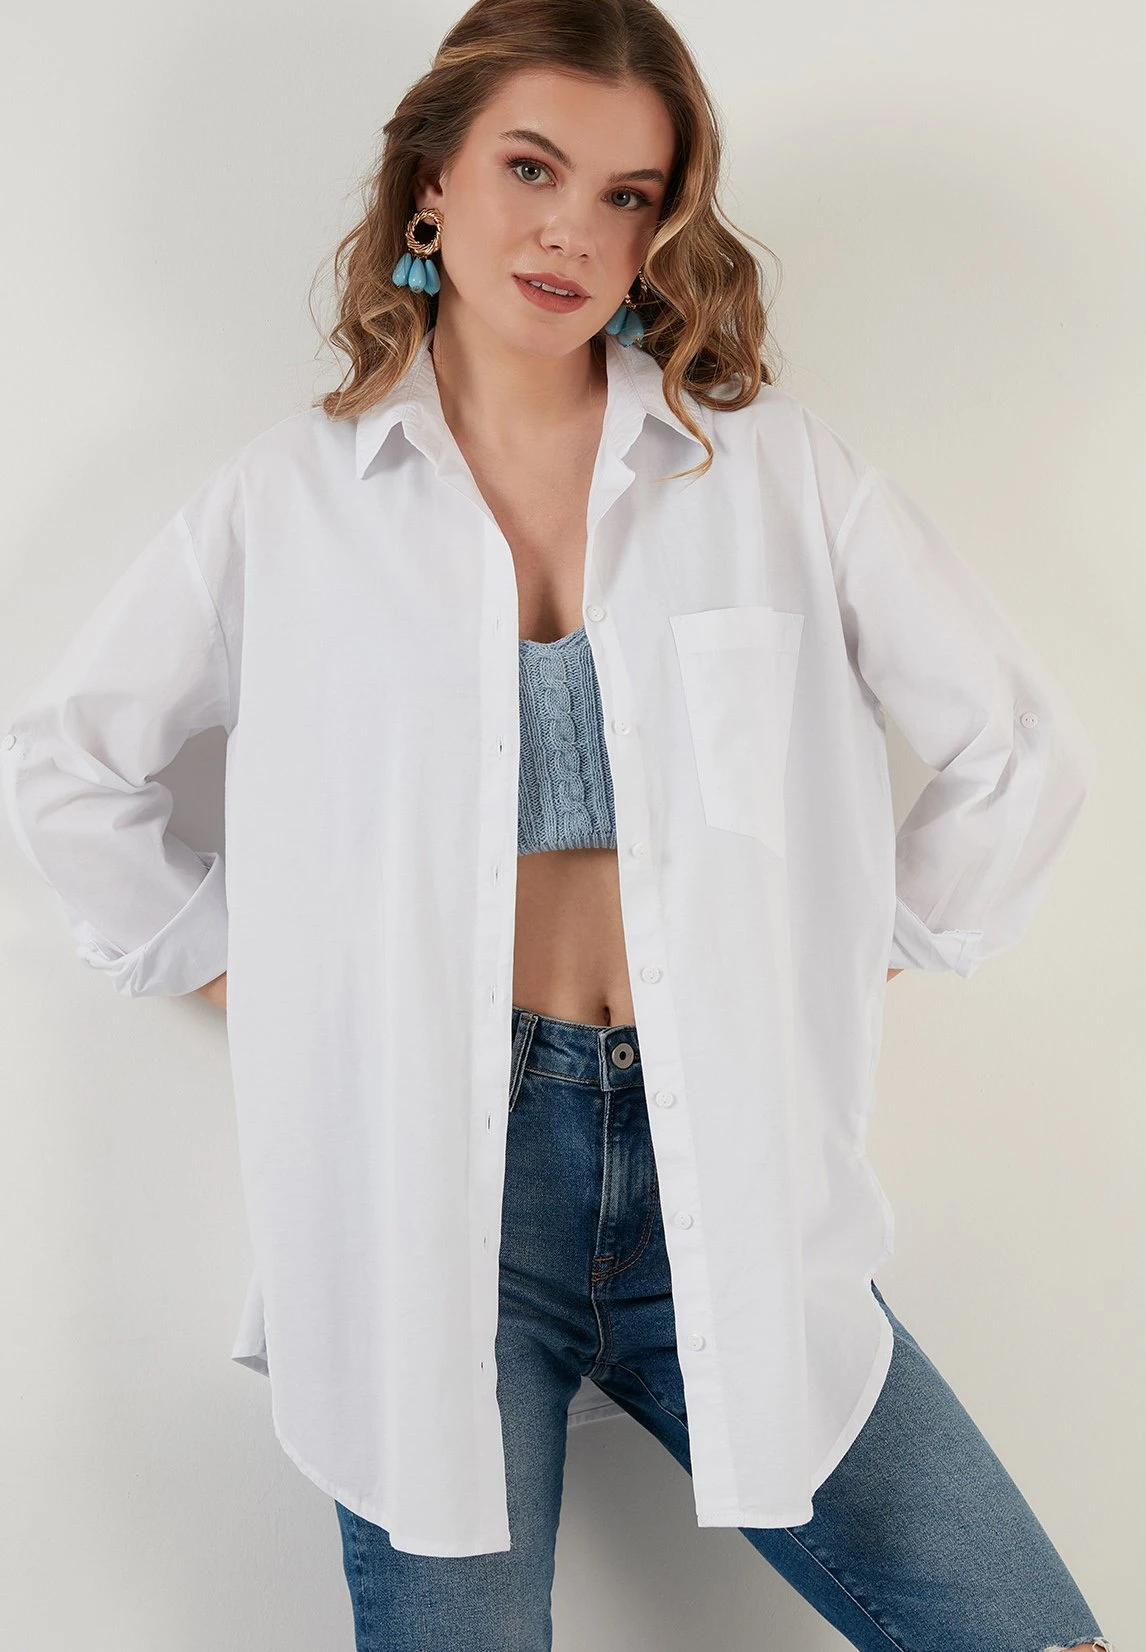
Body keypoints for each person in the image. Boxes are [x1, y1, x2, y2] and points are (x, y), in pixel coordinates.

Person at [0, 1, 1116, 1648]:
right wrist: (265, 985)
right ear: (430, 181)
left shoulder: (764, 474)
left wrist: (837, 962)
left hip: (726, 1155)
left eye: (624, 194)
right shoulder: (289, 503)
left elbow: (1017, 752)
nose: (570, 231)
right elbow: (67, 769)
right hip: (429, 1183)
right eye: (530, 168)